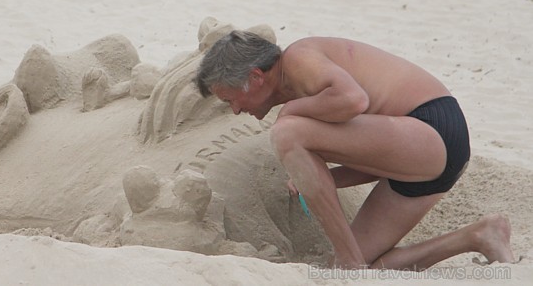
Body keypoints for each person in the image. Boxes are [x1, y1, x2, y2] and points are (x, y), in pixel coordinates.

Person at [195, 30, 515, 270]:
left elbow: (354, 100)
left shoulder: (298, 59)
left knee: (287, 132)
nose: (235, 110)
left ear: (255, 77)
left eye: (230, 99)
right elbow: (376, 151)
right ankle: (480, 235)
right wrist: (324, 179)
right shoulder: (296, 86)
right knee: (365, 267)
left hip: (434, 127)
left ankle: (350, 264)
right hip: (415, 159)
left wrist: (290, 112)